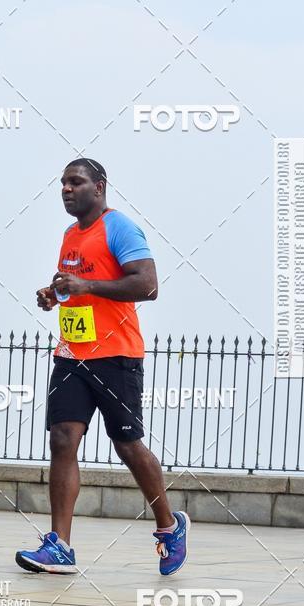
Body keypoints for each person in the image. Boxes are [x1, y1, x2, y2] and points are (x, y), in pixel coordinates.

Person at [15, 158, 190, 576]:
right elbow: (73, 284)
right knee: (62, 440)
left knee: (127, 445)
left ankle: (169, 527)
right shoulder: (69, 236)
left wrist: (87, 286)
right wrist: (54, 293)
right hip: (72, 354)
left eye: (75, 182)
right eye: (62, 184)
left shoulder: (120, 228)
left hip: (117, 356)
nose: (66, 190)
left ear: (100, 186)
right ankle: (60, 547)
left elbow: (147, 285)